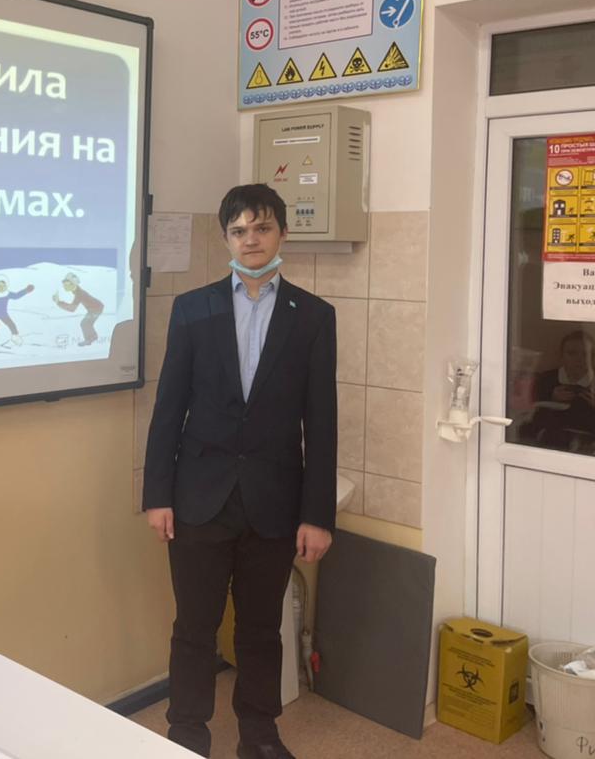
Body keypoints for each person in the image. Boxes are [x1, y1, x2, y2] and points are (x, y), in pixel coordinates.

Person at [143, 183, 337, 759]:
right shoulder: (193, 308)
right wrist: (158, 495)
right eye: (239, 230)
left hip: (274, 502)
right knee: (194, 626)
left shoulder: (313, 316)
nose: (251, 240)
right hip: (198, 498)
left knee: (260, 629)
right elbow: (168, 409)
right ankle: (187, 734)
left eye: (262, 228)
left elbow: (321, 421)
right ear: (226, 238)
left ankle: (260, 734)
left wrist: (317, 514)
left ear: (282, 233)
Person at [520, 330, 595, 457]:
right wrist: (550, 399)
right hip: (550, 443)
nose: (579, 359)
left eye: (585, 354)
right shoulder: (546, 380)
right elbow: (529, 417)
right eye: (572, 353)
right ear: (561, 356)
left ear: (592, 358)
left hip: (591, 445)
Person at [52, 272, 105, 346]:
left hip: (96, 308)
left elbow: (72, 309)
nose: (65, 286)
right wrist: (59, 302)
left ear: (73, 284)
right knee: (87, 323)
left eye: (68, 284)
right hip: (96, 308)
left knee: (85, 323)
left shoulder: (79, 293)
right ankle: (93, 337)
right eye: (65, 284)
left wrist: (58, 302)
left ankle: (89, 339)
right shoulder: (77, 292)